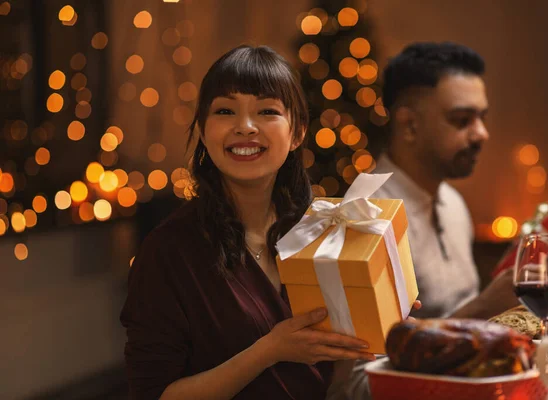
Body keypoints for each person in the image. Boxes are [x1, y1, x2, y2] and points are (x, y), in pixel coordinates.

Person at [119, 45, 385, 400]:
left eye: (267, 111)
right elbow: (155, 395)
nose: (244, 127)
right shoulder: (167, 251)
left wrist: (380, 318)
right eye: (225, 111)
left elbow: (331, 379)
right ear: (202, 128)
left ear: (298, 131)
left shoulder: (321, 232)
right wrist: (269, 351)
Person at [373, 42, 519, 319]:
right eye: (462, 120)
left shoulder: (453, 203)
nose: (482, 134)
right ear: (410, 125)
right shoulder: (370, 216)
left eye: (482, 118)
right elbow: (373, 359)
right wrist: (483, 308)